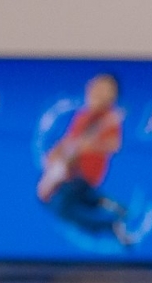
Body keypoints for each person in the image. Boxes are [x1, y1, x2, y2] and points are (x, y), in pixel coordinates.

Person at [38, 73, 137, 245]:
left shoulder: (108, 116)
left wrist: (90, 145)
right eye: (95, 86)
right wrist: (55, 153)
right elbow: (71, 140)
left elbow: (114, 145)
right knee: (52, 198)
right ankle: (102, 202)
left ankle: (109, 223)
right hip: (70, 170)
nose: (95, 91)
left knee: (64, 209)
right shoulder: (83, 115)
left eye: (103, 89)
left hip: (85, 172)